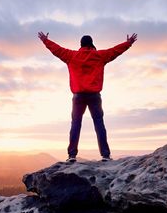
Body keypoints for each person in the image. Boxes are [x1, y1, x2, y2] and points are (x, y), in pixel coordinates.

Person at [38, 31, 137, 163]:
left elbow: (57, 50)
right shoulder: (99, 56)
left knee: (76, 124)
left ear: (81, 44)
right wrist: (128, 43)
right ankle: (105, 156)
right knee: (99, 124)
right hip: (94, 96)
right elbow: (115, 51)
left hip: (78, 96)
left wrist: (45, 40)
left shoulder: (72, 56)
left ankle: (72, 156)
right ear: (92, 44)